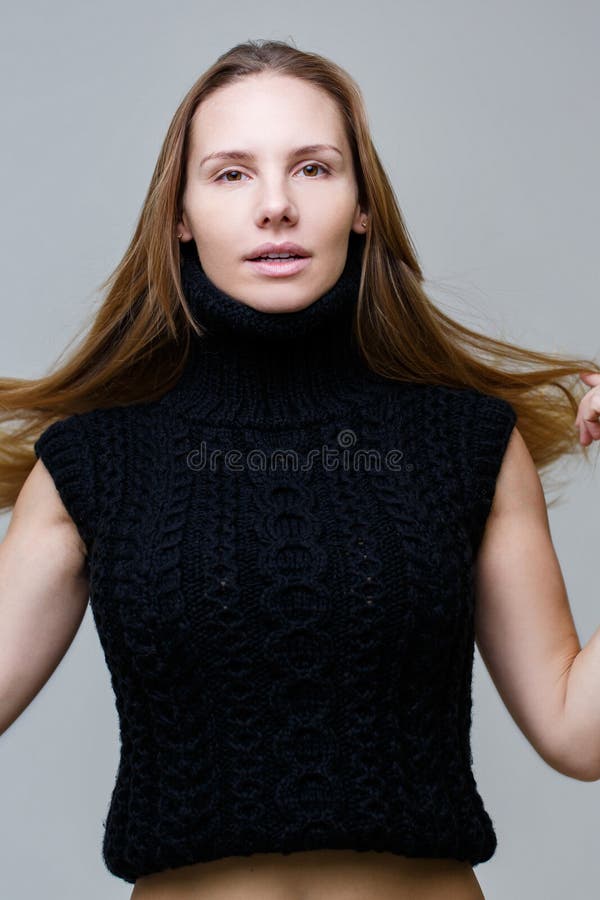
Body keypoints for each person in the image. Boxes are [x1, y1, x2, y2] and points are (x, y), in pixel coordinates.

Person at [1, 38, 600, 900]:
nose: (275, 207)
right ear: (180, 213)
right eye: (232, 174)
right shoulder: (96, 460)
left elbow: (580, 738)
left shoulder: (465, 441)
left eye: (314, 169)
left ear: (362, 206)